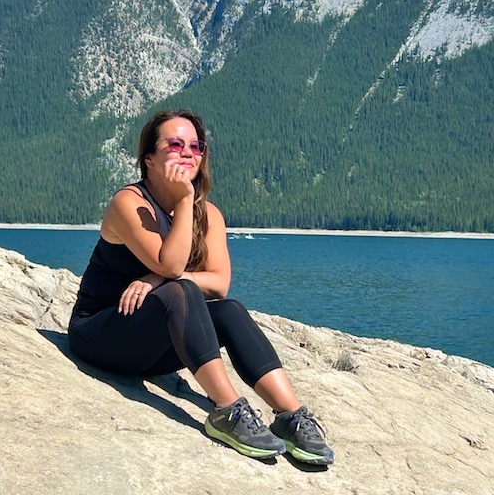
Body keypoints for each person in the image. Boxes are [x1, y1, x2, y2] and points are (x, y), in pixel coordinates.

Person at [68, 109, 334, 465]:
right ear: (148, 157)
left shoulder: (207, 214)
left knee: (229, 311)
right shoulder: (129, 203)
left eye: (196, 146)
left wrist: (155, 278)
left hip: (149, 347)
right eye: (174, 144)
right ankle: (226, 410)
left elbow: (219, 283)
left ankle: (291, 415)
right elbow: (172, 265)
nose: (187, 153)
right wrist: (181, 203)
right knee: (182, 291)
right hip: (101, 333)